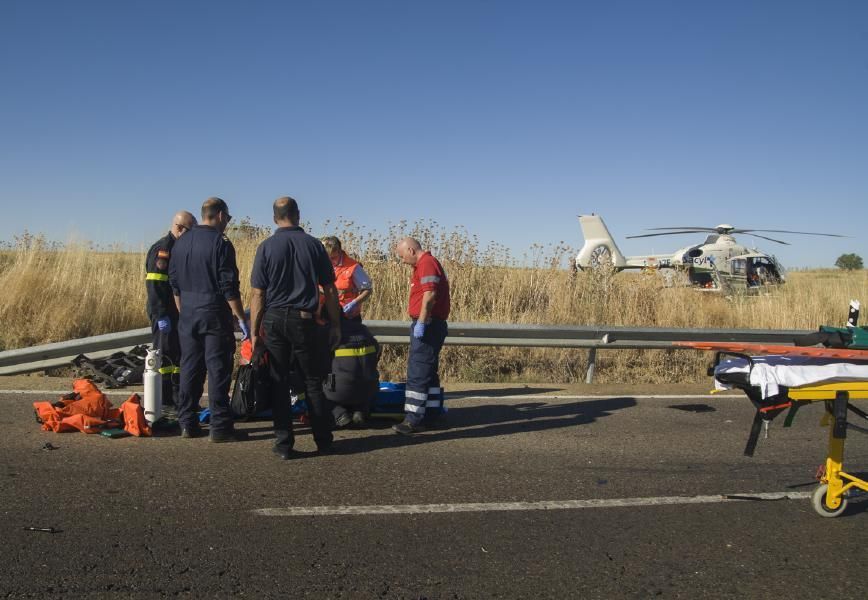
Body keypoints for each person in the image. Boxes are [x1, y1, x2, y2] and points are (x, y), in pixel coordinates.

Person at [249, 196, 342, 460]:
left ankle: (283, 444)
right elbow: (330, 289)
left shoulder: (266, 247)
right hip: (305, 321)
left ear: (274, 217)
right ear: (298, 214)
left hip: (275, 320)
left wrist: (255, 333)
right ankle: (323, 441)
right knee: (313, 381)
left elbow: (258, 294)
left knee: (279, 382)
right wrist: (335, 324)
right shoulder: (314, 246)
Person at [169, 197, 249, 442]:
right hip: (213, 313)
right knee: (217, 369)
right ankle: (220, 426)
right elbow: (228, 287)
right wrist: (239, 317)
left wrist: (184, 312)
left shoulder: (181, 242)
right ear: (221, 215)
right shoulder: (221, 243)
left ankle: (187, 423)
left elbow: (174, 284)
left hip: (188, 314)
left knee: (190, 367)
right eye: (229, 219)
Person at [393, 237, 450, 435]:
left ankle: (413, 420)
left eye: (402, 256)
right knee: (429, 373)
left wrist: (422, 322)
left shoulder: (426, 263)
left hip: (428, 324)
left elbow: (430, 295)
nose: (402, 261)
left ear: (410, 249)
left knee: (418, 372)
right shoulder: (426, 264)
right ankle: (432, 415)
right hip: (431, 324)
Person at [145, 211, 196, 409]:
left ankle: (176, 398)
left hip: (176, 313)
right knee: (164, 357)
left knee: (177, 357)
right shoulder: (164, 249)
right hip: (164, 314)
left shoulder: (179, 248)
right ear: (180, 228)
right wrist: (160, 316)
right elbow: (155, 286)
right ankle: (164, 399)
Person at [320, 236, 373, 322]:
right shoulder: (321, 264)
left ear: (339, 251)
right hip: (324, 315)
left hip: (347, 315)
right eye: (327, 258)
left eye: (333, 258)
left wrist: (355, 303)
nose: (330, 261)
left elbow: (367, 289)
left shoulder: (353, 267)